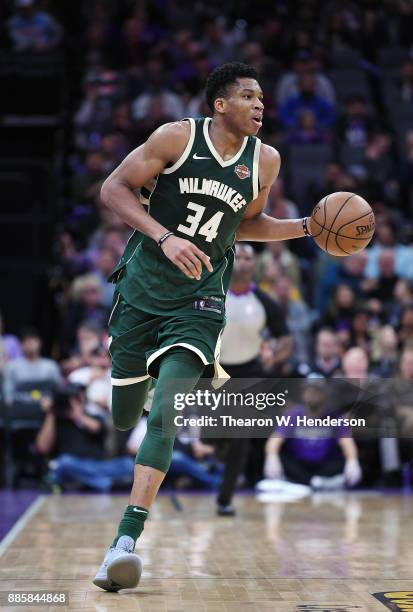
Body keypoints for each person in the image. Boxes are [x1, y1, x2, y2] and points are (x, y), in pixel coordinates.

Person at [92, 62, 315, 592]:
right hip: (143, 291)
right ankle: (142, 387)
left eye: (262, 97)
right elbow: (113, 189)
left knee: (165, 415)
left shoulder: (266, 160)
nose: (260, 104)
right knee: (126, 418)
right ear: (220, 105)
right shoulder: (175, 137)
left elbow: (248, 224)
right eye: (247, 96)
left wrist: (308, 228)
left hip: (200, 300)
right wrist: (164, 236)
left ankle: (124, 542)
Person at [216, 242, 291, 515]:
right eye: (239, 256)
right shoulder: (214, 292)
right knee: (212, 436)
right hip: (212, 371)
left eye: (248, 257)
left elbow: (285, 338)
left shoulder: (263, 301)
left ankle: (225, 498)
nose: (244, 262)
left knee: (240, 437)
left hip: (248, 373)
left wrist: (275, 353)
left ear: (254, 265)